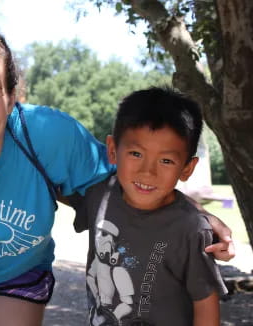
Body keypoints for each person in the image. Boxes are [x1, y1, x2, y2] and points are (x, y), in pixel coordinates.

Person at [0, 25, 233, 326]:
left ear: (12, 96)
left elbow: (132, 180)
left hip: (14, 278)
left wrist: (194, 213)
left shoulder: (48, 136)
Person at [72, 87, 227, 326]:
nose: (148, 171)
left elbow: (205, 301)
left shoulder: (191, 228)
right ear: (113, 151)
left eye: (166, 160)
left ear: (187, 168)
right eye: (136, 154)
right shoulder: (98, 195)